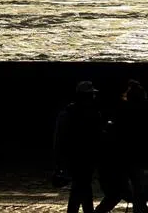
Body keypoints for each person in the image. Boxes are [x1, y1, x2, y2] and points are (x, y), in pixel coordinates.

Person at [95, 79, 148, 213]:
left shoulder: (122, 111)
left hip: (121, 158)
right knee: (137, 194)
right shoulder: (141, 112)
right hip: (132, 158)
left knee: (117, 193)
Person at [54, 81, 104, 213]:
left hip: (75, 158)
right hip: (82, 158)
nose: (93, 97)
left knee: (81, 189)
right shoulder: (91, 114)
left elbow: (59, 138)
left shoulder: (68, 113)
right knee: (82, 189)